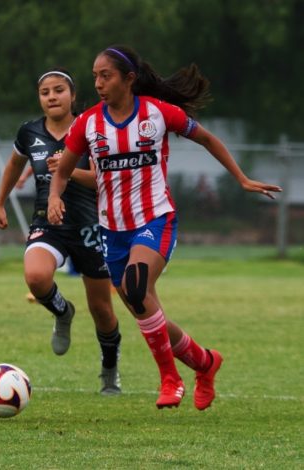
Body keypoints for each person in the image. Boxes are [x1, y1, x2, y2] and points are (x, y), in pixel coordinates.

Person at [47, 45, 282, 410]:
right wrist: (54, 197)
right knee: (147, 312)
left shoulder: (156, 113)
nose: (98, 83)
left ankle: (170, 379)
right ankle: (205, 363)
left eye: (105, 75)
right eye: (94, 76)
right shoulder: (88, 124)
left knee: (137, 286)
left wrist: (242, 179)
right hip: (112, 231)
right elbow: (63, 170)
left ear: (129, 79)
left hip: (155, 219)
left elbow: (206, 137)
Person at [0, 67, 122, 395]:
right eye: (45, 92)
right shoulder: (29, 132)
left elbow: (103, 180)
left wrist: (68, 167)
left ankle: (110, 370)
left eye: (59, 90)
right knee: (35, 277)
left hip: (91, 226)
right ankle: (62, 312)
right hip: (48, 223)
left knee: (103, 311)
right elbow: (13, 165)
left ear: (73, 95)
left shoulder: (92, 129)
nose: (52, 96)